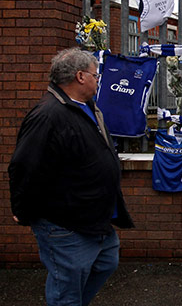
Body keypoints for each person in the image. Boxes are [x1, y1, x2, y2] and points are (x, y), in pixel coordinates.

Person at [9, 48, 134, 306]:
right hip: (65, 222)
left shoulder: (86, 107)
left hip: (95, 216)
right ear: (79, 76)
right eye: (95, 75)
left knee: (106, 261)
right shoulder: (48, 115)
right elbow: (24, 165)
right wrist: (22, 209)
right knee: (66, 286)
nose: (98, 79)